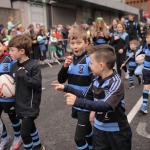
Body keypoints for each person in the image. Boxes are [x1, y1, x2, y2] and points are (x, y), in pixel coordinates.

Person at [53, 44, 132, 150]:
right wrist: (66, 88)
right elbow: (85, 95)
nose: (89, 65)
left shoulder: (116, 82)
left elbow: (106, 105)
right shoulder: (96, 80)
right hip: (99, 130)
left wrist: (78, 102)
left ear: (101, 66)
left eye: (91, 63)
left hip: (117, 133)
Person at [57, 26, 93, 150]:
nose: (75, 46)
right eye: (72, 43)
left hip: (85, 104)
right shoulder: (70, 60)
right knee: (87, 130)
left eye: (79, 43)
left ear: (86, 43)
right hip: (75, 103)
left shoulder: (89, 61)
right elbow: (61, 79)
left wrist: (93, 109)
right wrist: (65, 67)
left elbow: (95, 86)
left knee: (79, 138)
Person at [8, 34, 45, 150]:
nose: (10, 53)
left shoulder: (33, 65)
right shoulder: (13, 66)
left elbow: (36, 83)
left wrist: (24, 76)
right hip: (19, 103)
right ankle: (38, 146)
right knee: (30, 126)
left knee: (24, 133)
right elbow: (10, 84)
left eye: (12, 50)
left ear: (22, 51)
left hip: (30, 104)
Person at [0, 39, 22, 150]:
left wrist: (12, 90)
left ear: (3, 46)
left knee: (13, 117)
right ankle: (4, 137)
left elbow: (17, 75)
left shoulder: (10, 59)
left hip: (9, 97)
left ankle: (18, 137)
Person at [138, 31, 150, 114]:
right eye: (146, 37)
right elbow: (141, 53)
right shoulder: (145, 46)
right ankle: (144, 105)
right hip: (146, 69)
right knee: (146, 87)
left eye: (148, 37)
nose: (147, 39)